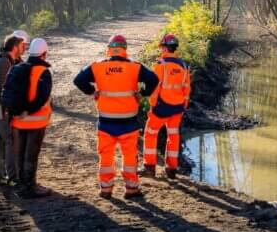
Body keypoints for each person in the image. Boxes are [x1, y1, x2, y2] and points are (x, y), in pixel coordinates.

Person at [73, 35, 159, 199]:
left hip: (106, 121)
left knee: (105, 156)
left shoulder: (98, 66)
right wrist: (143, 94)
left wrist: (92, 91)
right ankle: (132, 189)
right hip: (128, 122)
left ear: (109, 48)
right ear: (125, 49)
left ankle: (106, 189)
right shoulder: (135, 66)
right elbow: (154, 79)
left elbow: (78, 80)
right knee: (129, 156)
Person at [5, 37, 53, 198]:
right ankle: (30, 187)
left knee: (19, 153)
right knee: (31, 155)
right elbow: (41, 98)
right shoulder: (43, 72)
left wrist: (17, 112)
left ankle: (21, 186)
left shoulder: (17, 68)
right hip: (35, 122)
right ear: (44, 54)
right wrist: (29, 111)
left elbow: (8, 92)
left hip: (18, 122)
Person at [142, 34, 192, 179]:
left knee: (150, 134)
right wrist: (184, 106)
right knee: (173, 136)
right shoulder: (184, 65)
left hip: (161, 107)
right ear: (175, 48)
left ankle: (149, 168)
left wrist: (152, 105)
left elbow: (154, 88)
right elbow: (187, 89)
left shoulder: (160, 64)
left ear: (164, 47)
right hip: (178, 108)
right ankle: (171, 169)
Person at [0, 33, 26, 186]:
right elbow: (1, 90)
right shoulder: (4, 62)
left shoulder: (4, 60)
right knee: (10, 139)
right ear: (14, 47)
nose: (23, 48)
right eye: (21, 46)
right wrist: (9, 109)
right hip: (0, 108)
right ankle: (12, 177)